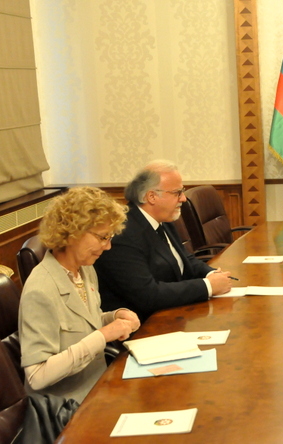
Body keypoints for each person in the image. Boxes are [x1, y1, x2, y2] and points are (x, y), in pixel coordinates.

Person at [19, 187, 140, 403]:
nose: (108, 246)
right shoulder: (40, 290)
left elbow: (83, 323)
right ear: (73, 232)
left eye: (110, 237)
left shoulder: (85, 269)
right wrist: (103, 336)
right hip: (68, 405)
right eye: (103, 237)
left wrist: (113, 317)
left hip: (99, 387)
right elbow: (37, 375)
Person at [94, 160, 233, 321]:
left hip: (174, 314)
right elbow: (148, 295)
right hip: (143, 324)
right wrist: (208, 286)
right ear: (152, 196)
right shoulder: (123, 234)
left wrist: (212, 274)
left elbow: (185, 259)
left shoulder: (163, 219)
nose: (183, 199)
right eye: (177, 193)